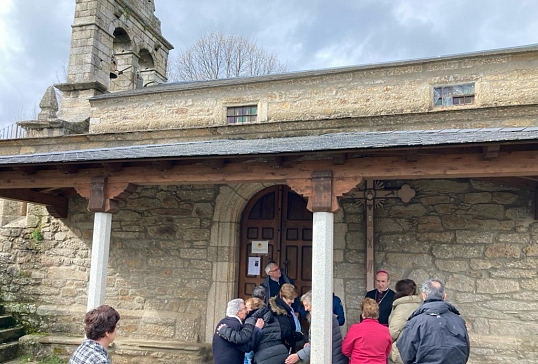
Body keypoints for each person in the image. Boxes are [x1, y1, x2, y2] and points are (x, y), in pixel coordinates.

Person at [397, 279, 470, 364]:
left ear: (424, 296)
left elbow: (406, 352)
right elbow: (465, 350)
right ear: (444, 296)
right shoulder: (458, 321)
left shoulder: (415, 322)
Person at [218, 297, 289, 364]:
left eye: (245, 308)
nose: (245, 310)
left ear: (250, 309)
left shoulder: (250, 320)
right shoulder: (273, 318)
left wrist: (225, 331)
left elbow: (244, 341)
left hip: (264, 357)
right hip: (281, 353)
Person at [285, 291, 348, 364]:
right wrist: (310, 343)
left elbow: (318, 343)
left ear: (314, 304)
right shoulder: (323, 313)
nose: (305, 309)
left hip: (332, 358)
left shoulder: (320, 317)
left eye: (307, 305)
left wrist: (298, 356)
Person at [212, 298, 263, 364]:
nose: (247, 311)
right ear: (238, 313)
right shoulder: (235, 325)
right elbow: (246, 347)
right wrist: (257, 329)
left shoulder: (224, 322)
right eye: (244, 308)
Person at [342, 298, 391, 364]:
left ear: (363, 314)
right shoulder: (385, 330)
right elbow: (387, 352)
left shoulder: (355, 328)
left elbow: (345, 350)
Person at [388, 279, 422, 364]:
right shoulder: (420, 306)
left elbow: (393, 331)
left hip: (401, 350)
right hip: (417, 349)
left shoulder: (402, 308)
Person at [268, 283, 304, 352]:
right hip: (282, 348)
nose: (293, 301)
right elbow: (285, 333)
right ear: (283, 297)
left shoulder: (285, 308)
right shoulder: (279, 312)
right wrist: (298, 335)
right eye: (290, 299)